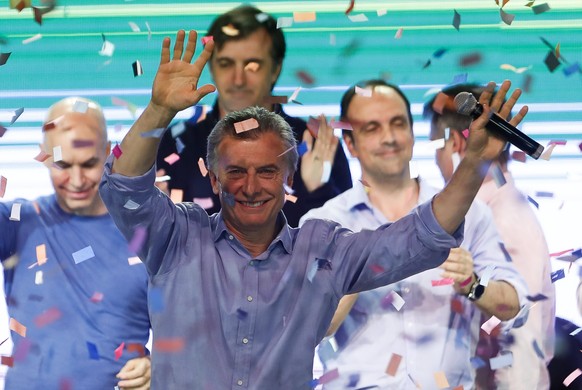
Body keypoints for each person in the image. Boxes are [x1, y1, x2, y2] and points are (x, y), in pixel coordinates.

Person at [99, 30, 528, 388]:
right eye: (235, 172)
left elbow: (422, 236)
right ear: (212, 179)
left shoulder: (324, 249)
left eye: (267, 171)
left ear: (289, 180)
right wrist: (159, 110)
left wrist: (473, 163)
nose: (250, 187)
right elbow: (124, 188)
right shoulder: (175, 237)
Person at [299, 80, 529, 389]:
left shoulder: (469, 213)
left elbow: (515, 306)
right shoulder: (324, 222)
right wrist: (356, 266)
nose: (389, 138)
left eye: (397, 124)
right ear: (350, 144)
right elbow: (311, 326)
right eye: (372, 128)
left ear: (411, 132)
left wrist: (474, 284)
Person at [0, 97, 151, 389]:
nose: (77, 180)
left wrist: (156, 366)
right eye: (63, 165)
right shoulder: (15, 224)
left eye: (89, 163)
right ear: (43, 156)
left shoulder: (150, 232)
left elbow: (189, 335)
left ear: (108, 153)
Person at [155, 5, 352, 227]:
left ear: (275, 69)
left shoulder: (316, 144)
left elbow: (342, 244)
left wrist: (319, 190)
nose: (238, 79)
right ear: (211, 67)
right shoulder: (173, 144)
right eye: (226, 64)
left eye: (252, 65)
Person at [425, 83, 555, 390]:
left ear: (456, 142)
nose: (435, 159)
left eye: (436, 146)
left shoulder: (504, 220)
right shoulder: (488, 213)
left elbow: (520, 343)